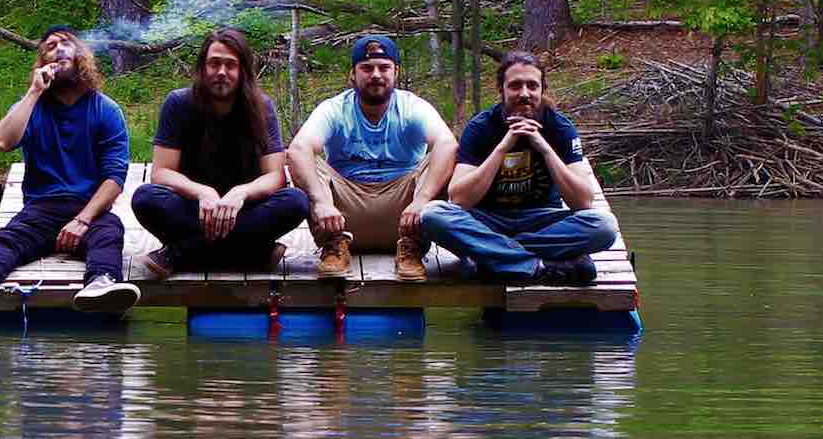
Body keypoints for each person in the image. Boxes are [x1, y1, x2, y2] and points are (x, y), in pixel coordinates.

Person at [0, 27, 139, 313]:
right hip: (42, 208)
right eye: (50, 46)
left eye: (66, 44)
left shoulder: (106, 110)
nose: (59, 49)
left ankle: (101, 284)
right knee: (13, 236)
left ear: (81, 58)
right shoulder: (32, 105)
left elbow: (115, 177)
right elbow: (2, 141)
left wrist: (83, 220)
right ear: (42, 63)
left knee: (110, 230)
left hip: (89, 209)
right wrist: (35, 91)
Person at [419, 51, 617, 285]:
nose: (524, 94)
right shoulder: (481, 128)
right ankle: (538, 267)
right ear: (501, 90)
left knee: (604, 226)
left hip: (543, 221)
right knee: (433, 215)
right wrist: (503, 146)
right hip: (487, 220)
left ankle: (489, 257)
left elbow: (582, 202)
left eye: (532, 86)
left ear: (542, 89)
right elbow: (459, 199)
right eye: (515, 86)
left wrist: (543, 147)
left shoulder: (560, 128)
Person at [131, 28, 310, 275]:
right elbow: (161, 173)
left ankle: (180, 253)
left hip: (245, 210)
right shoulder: (178, 103)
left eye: (230, 65)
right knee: (145, 198)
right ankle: (254, 253)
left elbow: (275, 176)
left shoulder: (262, 107)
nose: (222, 72)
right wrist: (201, 192)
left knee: (296, 201)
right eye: (214, 64)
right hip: (193, 209)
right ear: (203, 68)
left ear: (242, 71)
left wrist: (241, 193)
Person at [286, 34, 457, 282]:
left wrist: (422, 199)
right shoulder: (334, 108)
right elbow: (299, 147)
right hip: (343, 212)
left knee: (444, 155)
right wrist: (321, 202)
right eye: (366, 68)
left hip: (405, 213)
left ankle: (412, 248)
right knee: (305, 159)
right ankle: (334, 247)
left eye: (384, 67)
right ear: (352, 75)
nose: (376, 74)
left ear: (395, 72)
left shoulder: (412, 107)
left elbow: (446, 143)